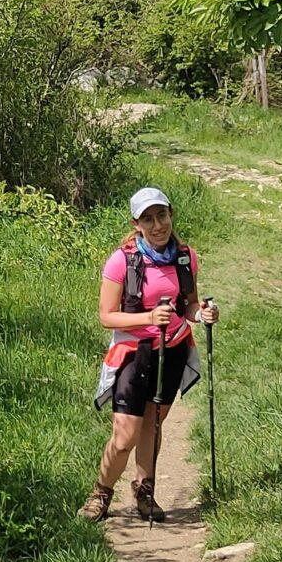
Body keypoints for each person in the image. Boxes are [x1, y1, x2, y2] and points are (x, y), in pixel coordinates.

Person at [84, 187, 216, 523]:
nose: (158, 225)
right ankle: (101, 493)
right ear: (136, 223)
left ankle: (144, 491)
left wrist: (202, 315)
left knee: (153, 426)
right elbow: (106, 316)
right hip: (133, 354)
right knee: (125, 435)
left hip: (172, 350)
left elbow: (187, 305)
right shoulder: (122, 260)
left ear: (171, 213)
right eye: (148, 219)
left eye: (162, 215)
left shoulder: (185, 257)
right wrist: (147, 318)